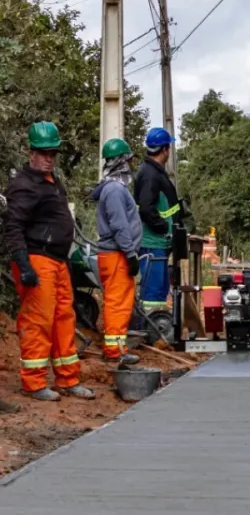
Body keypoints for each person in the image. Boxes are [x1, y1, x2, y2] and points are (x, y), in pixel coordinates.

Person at [3, 122, 94, 401]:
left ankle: (68, 379)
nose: (49, 158)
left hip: (56, 261)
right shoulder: (23, 185)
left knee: (63, 320)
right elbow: (12, 227)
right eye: (44, 153)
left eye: (53, 153)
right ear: (31, 153)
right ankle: (33, 383)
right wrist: (24, 263)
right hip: (36, 259)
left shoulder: (53, 182)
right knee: (37, 322)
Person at [91, 138, 142, 365]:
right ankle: (114, 351)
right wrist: (130, 254)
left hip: (116, 254)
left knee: (120, 301)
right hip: (116, 255)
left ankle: (117, 348)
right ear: (121, 161)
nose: (130, 165)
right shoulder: (114, 190)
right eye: (128, 160)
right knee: (117, 302)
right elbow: (120, 225)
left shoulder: (113, 188)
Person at [133, 127, 180, 312]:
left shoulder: (153, 172)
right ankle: (151, 327)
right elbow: (147, 208)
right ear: (165, 150)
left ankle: (158, 327)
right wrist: (163, 229)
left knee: (160, 289)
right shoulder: (150, 174)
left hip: (158, 243)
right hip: (153, 242)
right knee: (153, 291)